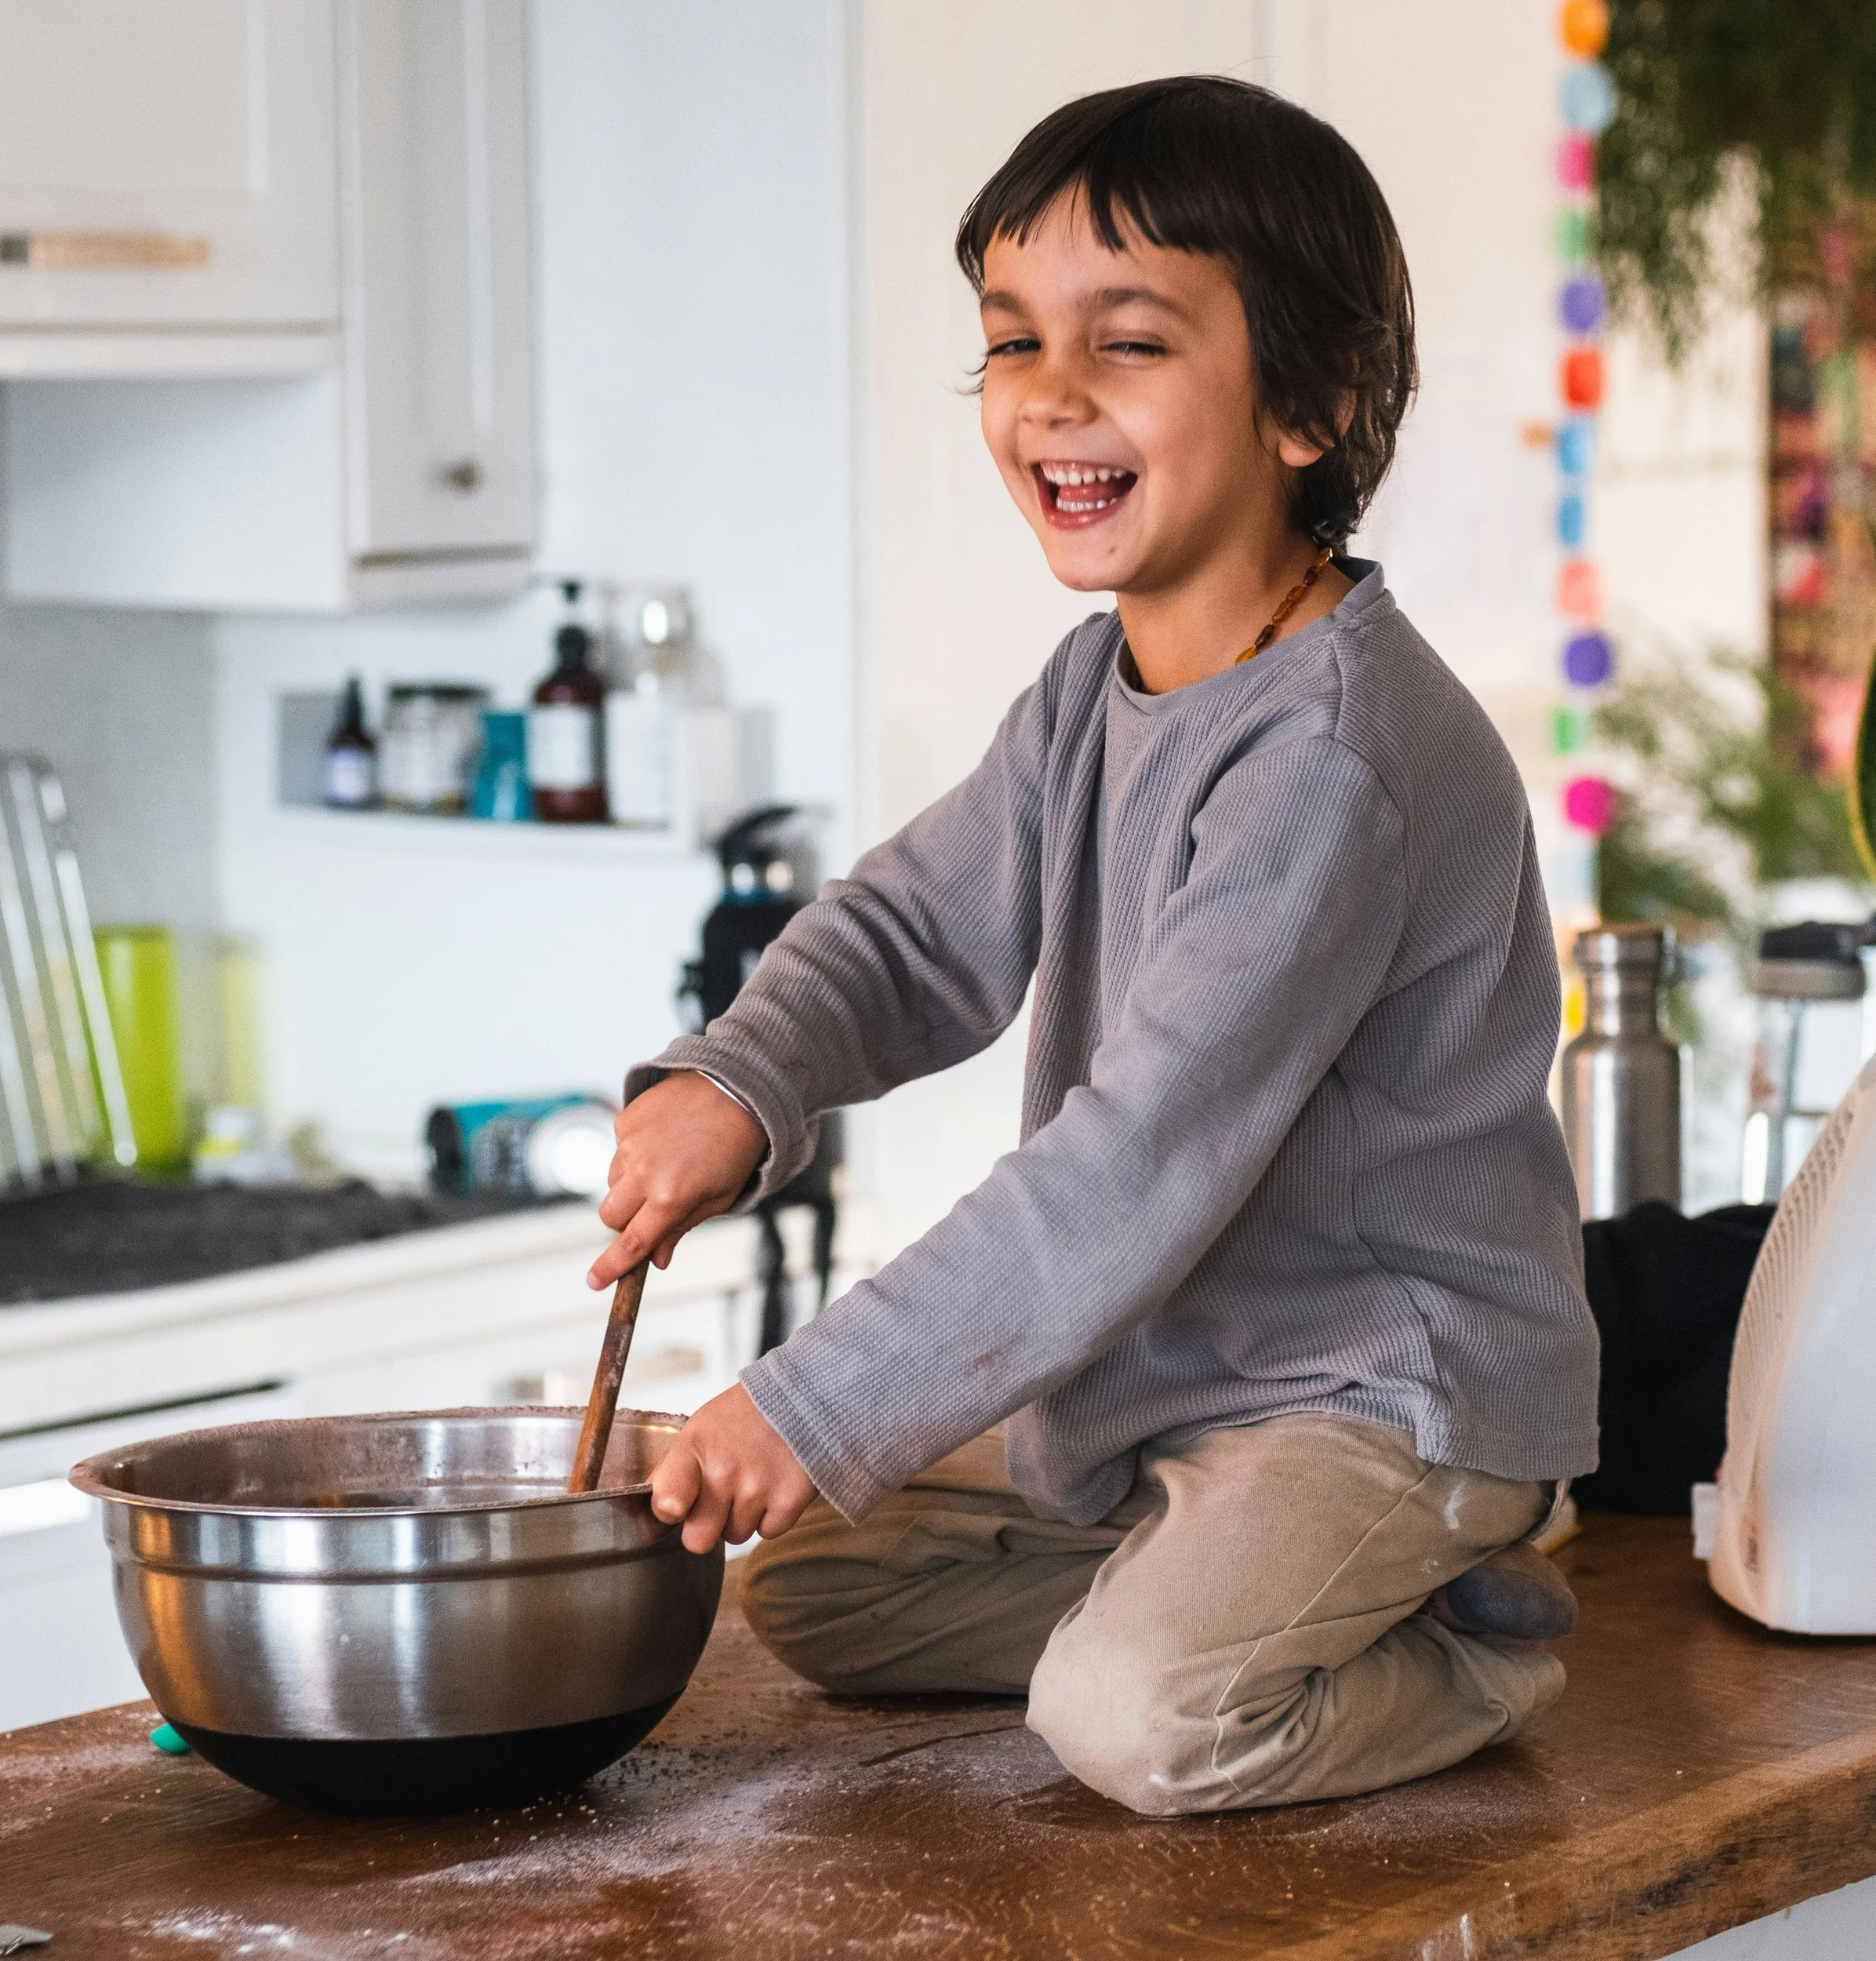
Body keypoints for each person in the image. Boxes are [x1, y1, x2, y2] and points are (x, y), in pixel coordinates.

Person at [588, 75, 1599, 1817]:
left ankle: (1455, 1625)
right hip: (1176, 1387)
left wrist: (811, 1399)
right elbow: (916, 928)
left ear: (1314, 400)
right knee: (822, 1584)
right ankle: (1200, 1591)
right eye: (1009, 340)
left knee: (1135, 1723)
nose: (1047, 395)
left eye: (1124, 342)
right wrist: (739, 1082)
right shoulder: (1096, 689)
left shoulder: (1331, 757)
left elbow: (1127, 1167)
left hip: (1378, 1397)